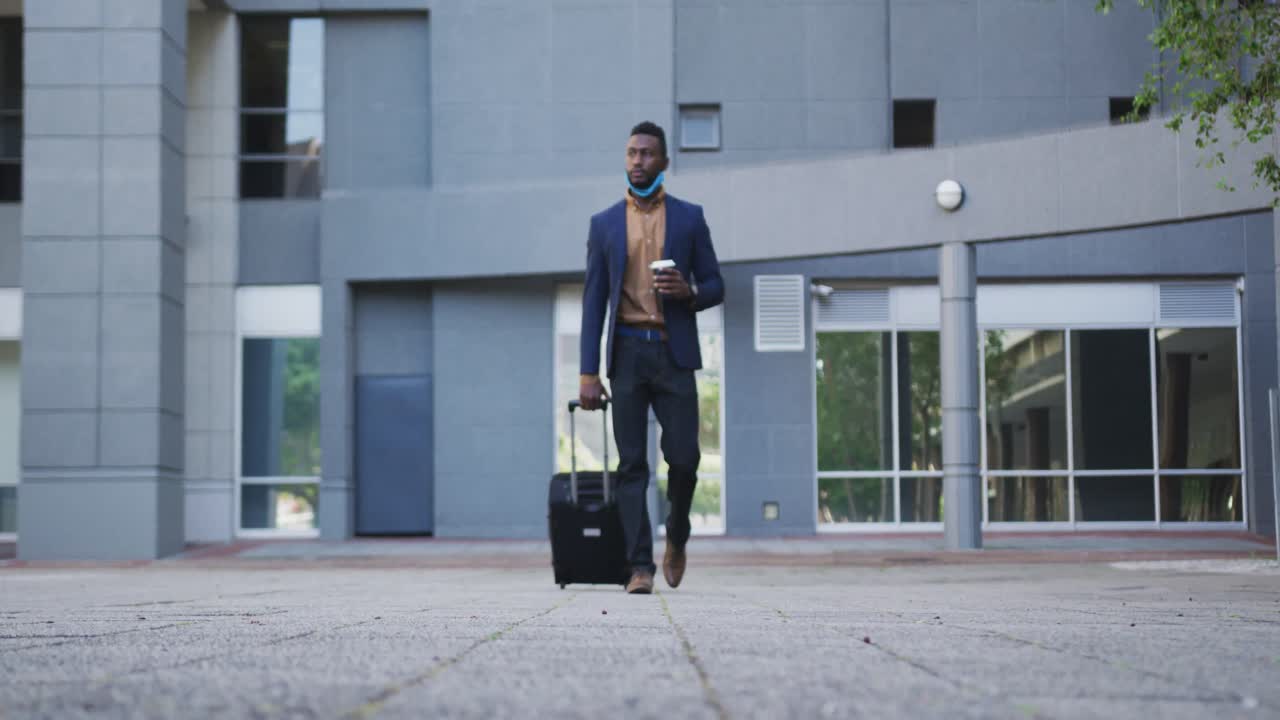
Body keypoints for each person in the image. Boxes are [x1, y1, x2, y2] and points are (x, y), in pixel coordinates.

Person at [578, 121, 724, 595]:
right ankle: (639, 566)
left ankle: (677, 535)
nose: (638, 161)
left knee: (684, 459)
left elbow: (717, 286)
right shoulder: (604, 224)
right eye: (631, 153)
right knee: (631, 465)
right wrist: (587, 372)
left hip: (673, 352)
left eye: (647, 154)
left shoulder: (689, 218)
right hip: (626, 352)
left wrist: (689, 291)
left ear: (663, 162)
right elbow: (593, 301)